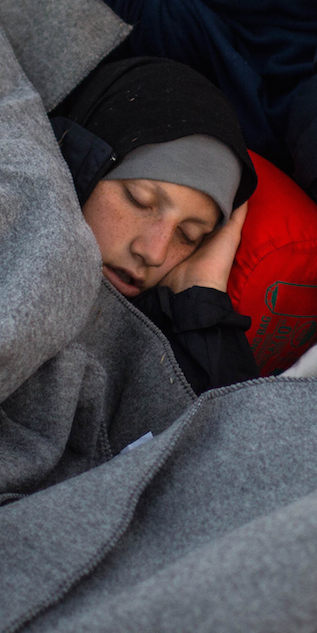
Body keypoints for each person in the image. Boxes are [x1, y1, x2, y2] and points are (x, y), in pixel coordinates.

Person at [52, 56, 260, 393]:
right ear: (83, 156)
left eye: (188, 235)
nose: (154, 252)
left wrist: (201, 296)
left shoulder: (162, 341)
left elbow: (231, 434)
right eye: (139, 200)